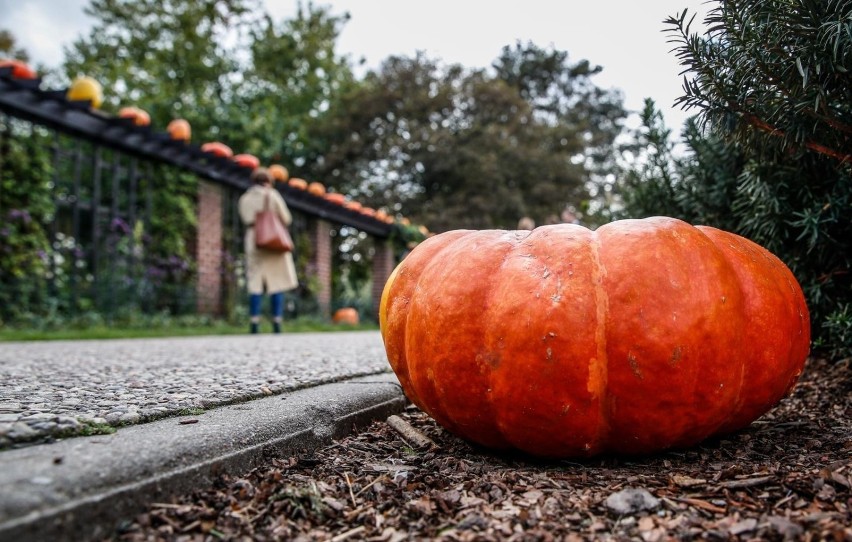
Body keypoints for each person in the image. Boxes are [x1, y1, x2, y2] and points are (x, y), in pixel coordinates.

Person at [238, 167, 299, 334]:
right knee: (276, 282)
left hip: (254, 239)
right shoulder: (272, 195)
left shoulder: (245, 198)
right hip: (274, 240)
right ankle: (277, 322)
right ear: (268, 181)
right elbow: (286, 218)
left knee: (255, 282)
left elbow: (244, 218)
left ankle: (254, 322)